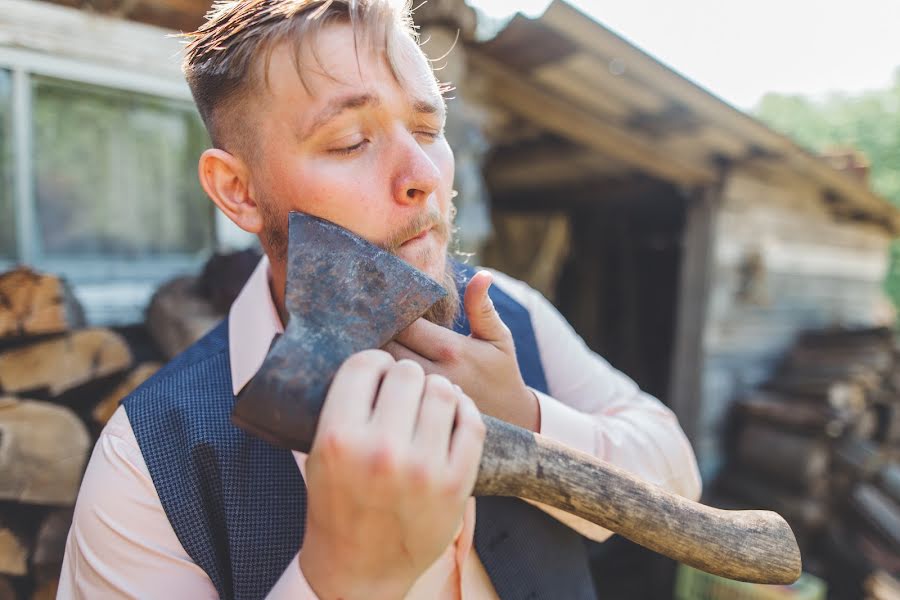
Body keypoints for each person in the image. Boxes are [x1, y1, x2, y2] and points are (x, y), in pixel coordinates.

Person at [58, 0, 702, 598]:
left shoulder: (512, 310)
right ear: (239, 191)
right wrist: (339, 578)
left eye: (428, 128)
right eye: (350, 142)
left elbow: (678, 476)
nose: (423, 177)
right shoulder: (145, 464)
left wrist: (524, 416)